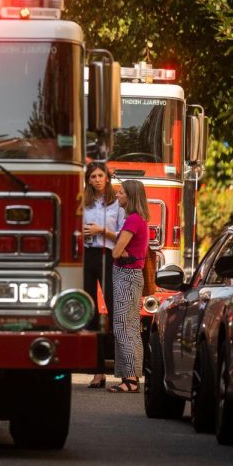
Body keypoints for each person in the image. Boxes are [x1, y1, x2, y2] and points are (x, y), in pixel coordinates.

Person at [81, 161, 122, 389]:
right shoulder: (83, 203)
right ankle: (98, 372)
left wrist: (101, 231)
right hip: (88, 257)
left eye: (100, 175)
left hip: (108, 256)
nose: (97, 179)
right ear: (88, 179)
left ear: (107, 178)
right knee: (90, 313)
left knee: (115, 311)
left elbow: (124, 235)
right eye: (93, 176)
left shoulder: (117, 203)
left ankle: (125, 370)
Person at [108, 179, 150, 393]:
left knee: (123, 327)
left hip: (126, 274)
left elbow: (116, 252)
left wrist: (120, 250)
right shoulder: (139, 219)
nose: (117, 195)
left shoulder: (132, 220)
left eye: (121, 192)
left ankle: (130, 379)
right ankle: (131, 377)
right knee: (132, 327)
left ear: (130, 196)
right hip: (133, 275)